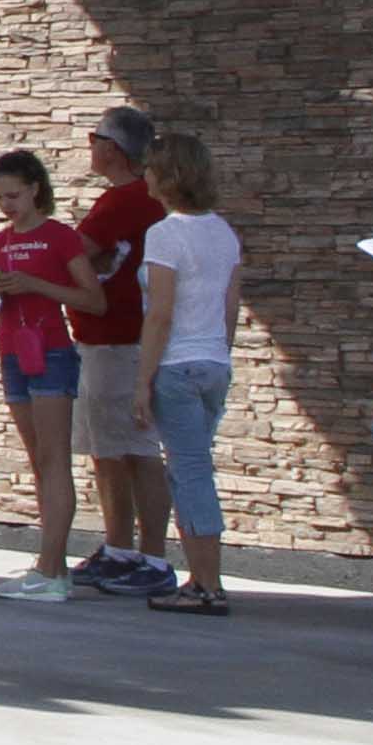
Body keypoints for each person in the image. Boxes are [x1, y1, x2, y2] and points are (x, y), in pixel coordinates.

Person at [116, 132, 240, 617]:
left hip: (176, 364)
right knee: (193, 466)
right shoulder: (224, 232)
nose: (145, 174)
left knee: (189, 472)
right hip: (213, 361)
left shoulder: (166, 234)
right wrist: (221, 354)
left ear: (166, 176)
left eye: (150, 168)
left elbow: (160, 313)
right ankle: (202, 577)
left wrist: (142, 381)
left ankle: (207, 585)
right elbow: (229, 306)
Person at [61, 108, 175, 598]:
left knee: (133, 448)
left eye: (95, 138)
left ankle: (149, 554)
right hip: (105, 339)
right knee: (109, 450)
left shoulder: (125, 202)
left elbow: (73, 252)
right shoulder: (132, 201)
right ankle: (120, 547)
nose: (91, 147)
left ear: (112, 148)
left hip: (117, 340)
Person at [0, 148, 88, 601]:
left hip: (52, 349)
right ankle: (51, 562)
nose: (7, 205)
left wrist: (37, 285)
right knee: (37, 459)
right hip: (14, 350)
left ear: (36, 189)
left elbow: (91, 298)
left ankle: (51, 569)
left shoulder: (60, 238)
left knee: (54, 458)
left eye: (14, 195)